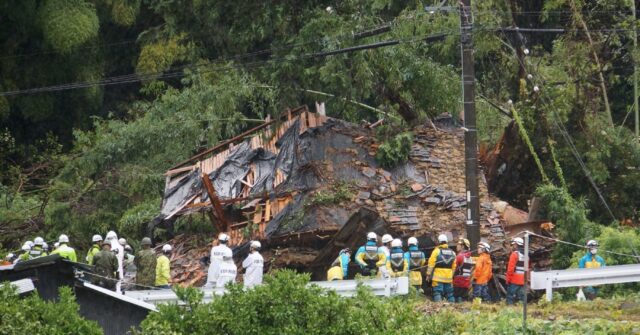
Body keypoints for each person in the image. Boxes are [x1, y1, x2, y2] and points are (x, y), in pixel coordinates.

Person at [426, 234, 457, 302]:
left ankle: (439, 307)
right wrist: (451, 276)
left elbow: (431, 264)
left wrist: (428, 274)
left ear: (439, 242)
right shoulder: (453, 253)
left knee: (437, 292)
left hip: (438, 277)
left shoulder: (436, 251)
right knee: (449, 294)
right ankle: (452, 308)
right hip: (448, 278)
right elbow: (454, 267)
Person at [453, 238, 474, 302]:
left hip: (458, 282)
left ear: (462, 246)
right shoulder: (470, 257)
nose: (457, 246)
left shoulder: (459, 256)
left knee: (457, 298)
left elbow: (454, 268)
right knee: (464, 298)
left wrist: (450, 277)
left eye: (458, 244)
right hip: (466, 281)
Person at [506, 237, 526, 305]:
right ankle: (523, 310)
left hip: (515, 279)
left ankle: (509, 310)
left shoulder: (514, 254)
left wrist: (508, 279)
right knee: (522, 296)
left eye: (514, 244)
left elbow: (510, 269)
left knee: (510, 296)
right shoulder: (526, 255)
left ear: (516, 245)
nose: (513, 246)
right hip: (523, 279)